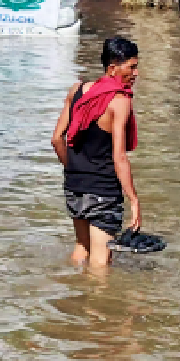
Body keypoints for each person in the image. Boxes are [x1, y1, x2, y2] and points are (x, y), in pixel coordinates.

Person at [51, 37, 142, 265]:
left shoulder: (78, 90)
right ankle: (95, 300)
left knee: (82, 249)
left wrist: (75, 170)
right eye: (131, 67)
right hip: (103, 189)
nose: (136, 73)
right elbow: (119, 157)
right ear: (112, 68)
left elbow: (56, 139)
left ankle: (74, 292)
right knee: (101, 262)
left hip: (74, 186)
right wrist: (134, 199)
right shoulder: (120, 101)